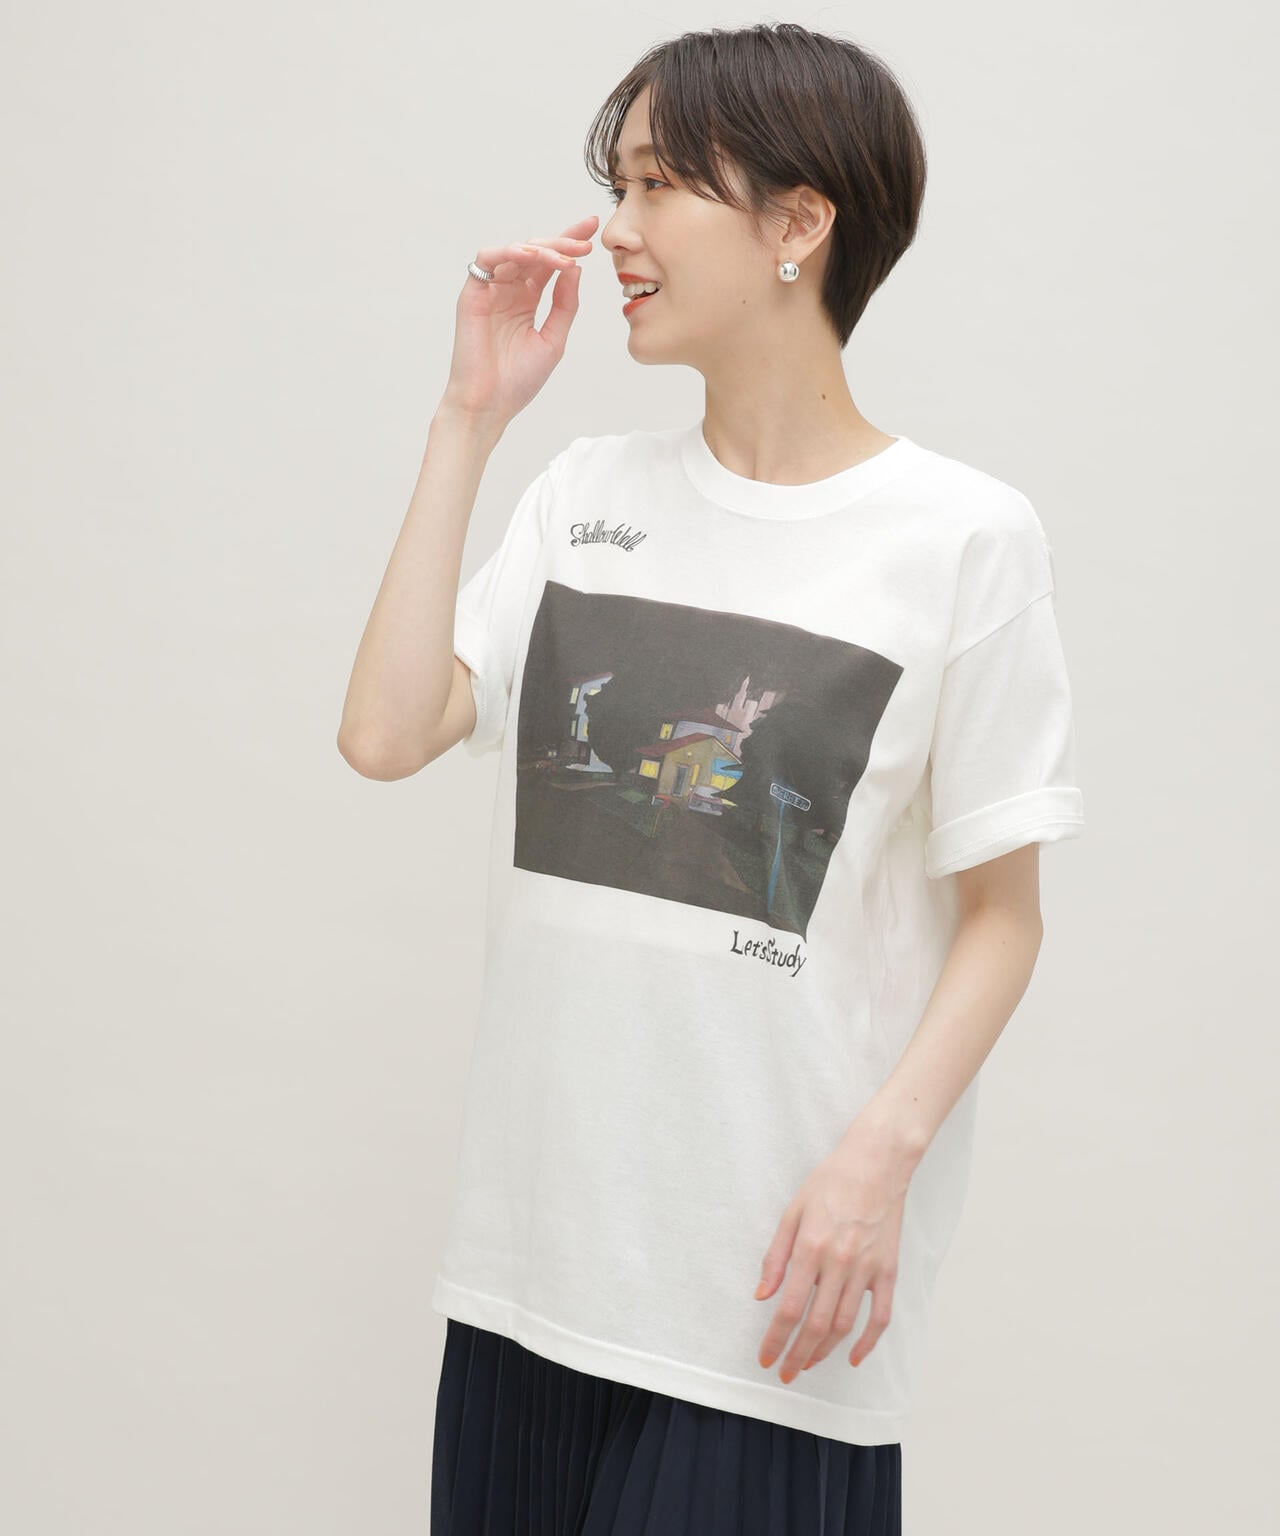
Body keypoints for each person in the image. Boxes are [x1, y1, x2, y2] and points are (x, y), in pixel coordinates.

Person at [338, 21, 1085, 1536]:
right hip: (529, 1280)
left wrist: (878, 1163)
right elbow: (386, 734)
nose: (616, 229)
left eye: (660, 186)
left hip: (762, 1305)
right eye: (614, 185)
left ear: (799, 222)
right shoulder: (583, 495)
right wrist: (469, 418)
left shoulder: (961, 539)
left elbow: (1004, 915)